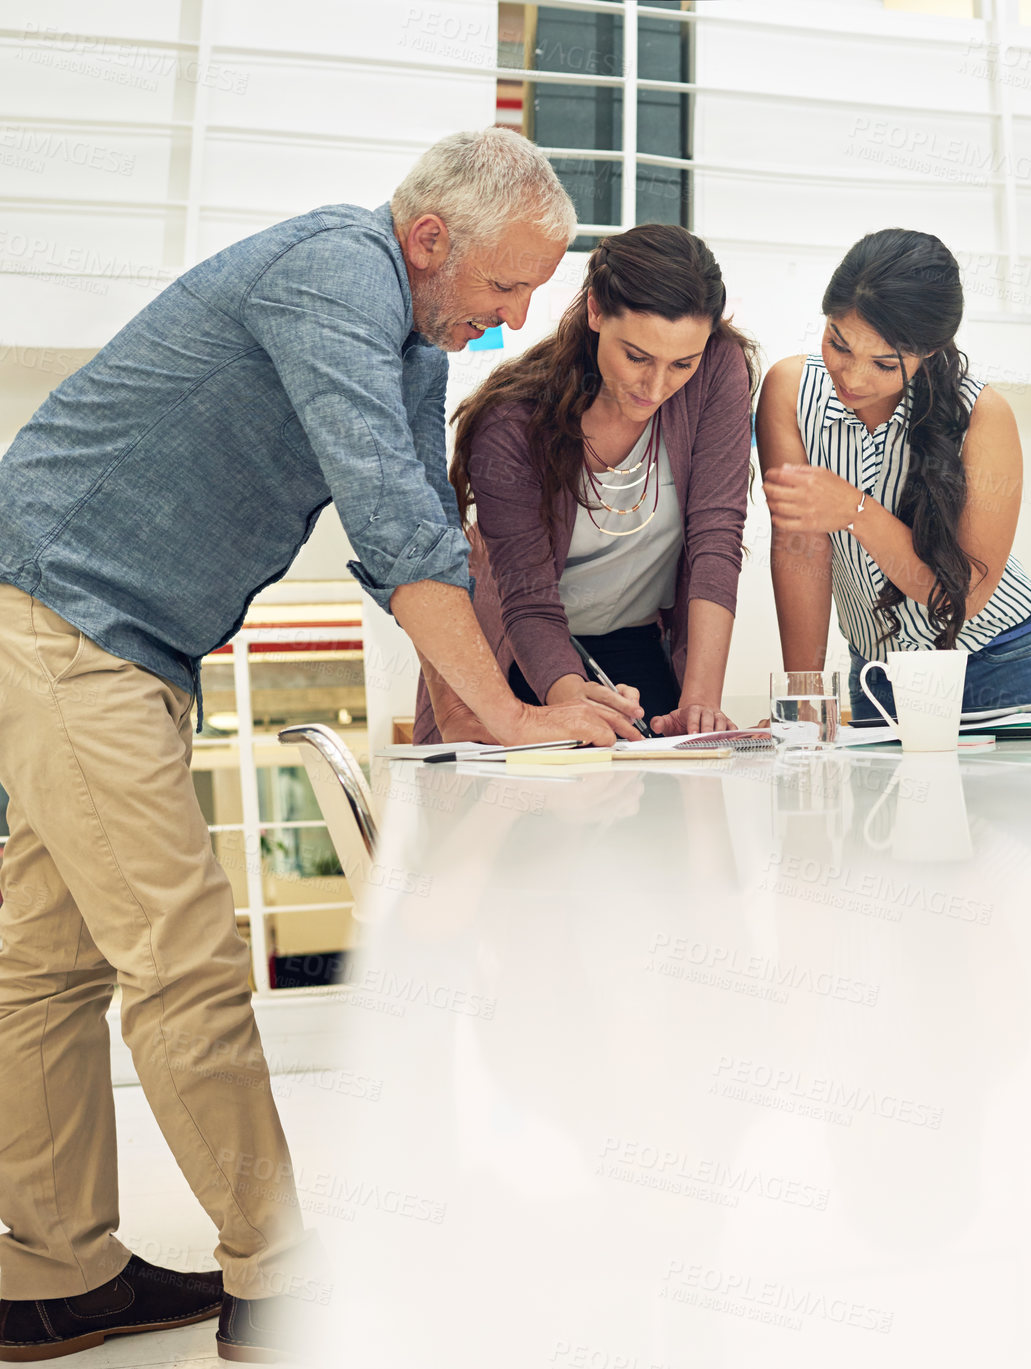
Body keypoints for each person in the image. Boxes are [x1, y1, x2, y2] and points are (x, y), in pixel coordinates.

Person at [0, 129, 637, 1366]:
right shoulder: (333, 273)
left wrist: (505, 700)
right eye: (505, 290)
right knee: (182, 956)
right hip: (64, 615)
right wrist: (509, 716)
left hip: (117, 636)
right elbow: (390, 518)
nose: (510, 325)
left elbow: (412, 521)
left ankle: (50, 1273)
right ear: (430, 239)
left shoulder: (406, 334)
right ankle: (280, 1279)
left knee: (46, 961)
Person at [414, 223, 758, 745]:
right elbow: (527, 599)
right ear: (595, 310)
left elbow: (717, 537)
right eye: (637, 357)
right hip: (518, 654)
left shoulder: (717, 371)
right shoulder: (512, 424)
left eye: (681, 363)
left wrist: (701, 706)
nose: (656, 386)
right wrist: (570, 704)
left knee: (666, 806)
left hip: (635, 643)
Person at [756, 228, 1031, 721]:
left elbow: (959, 601)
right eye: (838, 345)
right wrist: (806, 699)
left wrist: (855, 511)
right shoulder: (788, 390)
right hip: (879, 674)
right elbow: (801, 549)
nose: (853, 378)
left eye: (885, 364)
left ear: (929, 350)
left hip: (1001, 665)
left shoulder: (983, 415)